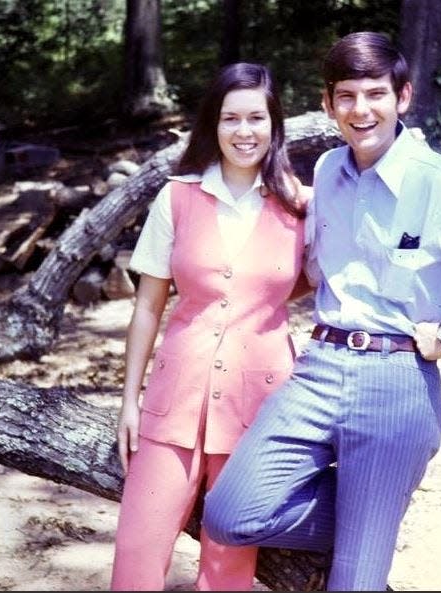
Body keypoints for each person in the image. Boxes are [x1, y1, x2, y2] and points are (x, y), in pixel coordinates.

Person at [202, 32, 441, 591]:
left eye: (375, 93)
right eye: (346, 96)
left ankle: (368, 525)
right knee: (229, 515)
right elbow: (313, 270)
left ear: (404, 96)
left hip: (396, 385)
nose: (361, 109)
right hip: (317, 371)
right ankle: (366, 518)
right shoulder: (325, 171)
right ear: (327, 104)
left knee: (354, 584)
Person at [110, 62, 311, 591]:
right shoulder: (176, 197)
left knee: (228, 568)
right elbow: (148, 307)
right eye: (230, 119)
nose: (244, 132)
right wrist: (129, 401)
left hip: (258, 406)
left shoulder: (303, 205)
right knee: (137, 553)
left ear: (275, 125)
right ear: (212, 126)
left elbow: (318, 280)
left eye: (256, 119)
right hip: (173, 400)